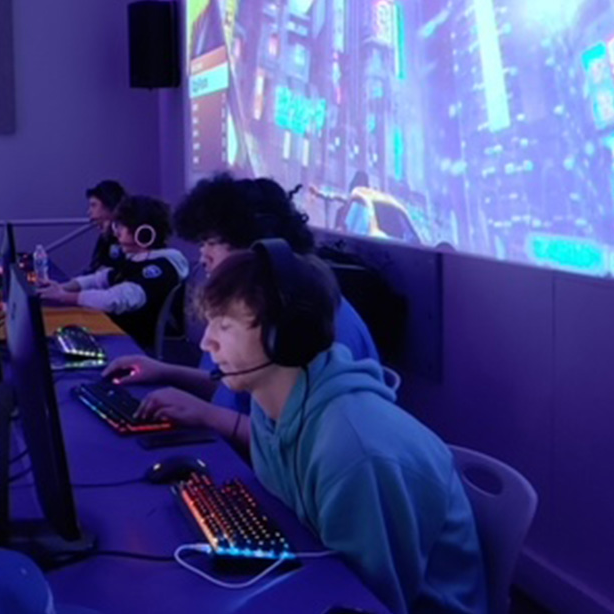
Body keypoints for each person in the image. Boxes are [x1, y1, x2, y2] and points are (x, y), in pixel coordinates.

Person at [148, 243, 486, 614]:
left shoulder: (354, 451)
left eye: (225, 326)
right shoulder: (270, 405)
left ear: (284, 336)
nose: (206, 342)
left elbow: (363, 603)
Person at [105, 173, 380, 438]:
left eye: (212, 243)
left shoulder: (310, 318)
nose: (204, 257)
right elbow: (235, 391)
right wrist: (164, 372)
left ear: (257, 244)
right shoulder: (264, 303)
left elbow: (303, 442)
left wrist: (209, 416)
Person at [40, 195, 189, 352]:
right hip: (117, 330)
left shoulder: (160, 268)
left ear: (143, 232)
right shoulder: (136, 258)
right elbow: (101, 278)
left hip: (133, 344)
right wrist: (62, 288)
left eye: (121, 226)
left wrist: (63, 297)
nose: (116, 233)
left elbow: (114, 300)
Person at [82, 180, 127, 274]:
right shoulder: (104, 238)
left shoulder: (127, 239)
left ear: (109, 206)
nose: (89, 212)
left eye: (94, 205)